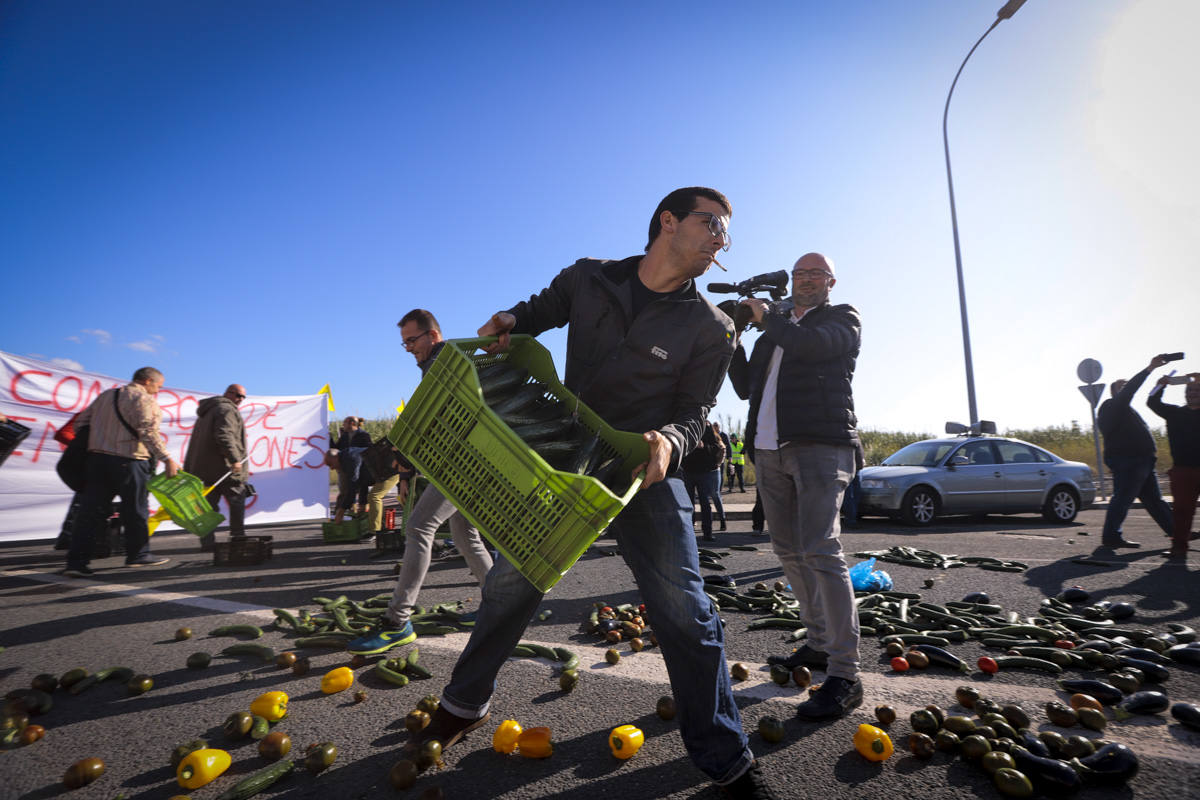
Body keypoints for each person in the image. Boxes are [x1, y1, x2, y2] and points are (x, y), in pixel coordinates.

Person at [397, 188, 776, 799]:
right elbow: (540, 309)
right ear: (668, 221)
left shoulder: (712, 326)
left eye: (725, 234)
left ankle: (724, 753)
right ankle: (464, 704)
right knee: (510, 585)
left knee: (684, 608)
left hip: (640, 473)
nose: (719, 239)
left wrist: (669, 446)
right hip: (563, 464)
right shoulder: (588, 279)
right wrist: (511, 321)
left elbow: (695, 412)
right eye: (711, 224)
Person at [728, 252, 863, 722]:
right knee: (788, 550)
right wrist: (736, 337)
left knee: (822, 549)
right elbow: (745, 388)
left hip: (821, 445)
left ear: (830, 281)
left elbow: (811, 348)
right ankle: (820, 644)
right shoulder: (776, 326)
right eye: (799, 273)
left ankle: (846, 674)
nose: (805, 280)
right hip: (767, 450)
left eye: (815, 274)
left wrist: (768, 319)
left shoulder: (843, 319)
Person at [348, 309, 495, 656]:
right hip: (478, 461)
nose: (410, 349)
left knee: (417, 528)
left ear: (433, 334)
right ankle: (496, 607)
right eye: (404, 344)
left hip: (462, 464)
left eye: (412, 341)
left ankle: (398, 622)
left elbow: (435, 419)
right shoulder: (450, 362)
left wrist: (406, 466)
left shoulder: (442, 364)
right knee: (464, 532)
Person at [63, 366, 177, 576]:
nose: (158, 391)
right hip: (130, 461)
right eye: (158, 387)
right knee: (135, 510)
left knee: (89, 513)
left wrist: (100, 441)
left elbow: (80, 423)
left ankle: (76, 562)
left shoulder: (106, 396)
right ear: (148, 381)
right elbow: (148, 431)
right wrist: (167, 459)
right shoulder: (143, 399)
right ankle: (138, 555)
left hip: (97, 461)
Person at [1096, 355, 1176, 548]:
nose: (1126, 388)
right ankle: (1111, 536)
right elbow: (1130, 390)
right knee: (1123, 498)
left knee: (1155, 501)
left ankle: (1177, 533)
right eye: (1121, 387)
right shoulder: (1112, 406)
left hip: (1142, 462)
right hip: (1130, 461)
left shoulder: (1124, 411)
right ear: (1114, 392)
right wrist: (1150, 368)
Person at [183, 384, 249, 552]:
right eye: (238, 395)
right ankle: (238, 537)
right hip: (224, 469)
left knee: (208, 507)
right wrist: (235, 459)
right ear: (228, 393)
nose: (240, 400)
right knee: (237, 500)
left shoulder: (208, 410)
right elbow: (224, 435)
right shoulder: (226, 409)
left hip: (203, 470)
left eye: (243, 397)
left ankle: (207, 543)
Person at [1148, 371, 1200, 562]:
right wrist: (1161, 385)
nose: (1192, 393)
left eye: (1196, 390)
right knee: (1181, 512)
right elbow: (1152, 402)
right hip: (1182, 471)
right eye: (1189, 390)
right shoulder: (1175, 413)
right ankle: (1178, 548)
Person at [683, 421, 726, 541]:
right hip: (687, 471)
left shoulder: (706, 426)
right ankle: (688, 533)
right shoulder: (685, 424)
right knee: (688, 504)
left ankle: (707, 532)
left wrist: (703, 446)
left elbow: (716, 447)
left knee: (705, 504)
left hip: (704, 472)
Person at [330, 416, 371, 523]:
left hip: (360, 467)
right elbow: (336, 449)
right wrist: (330, 439)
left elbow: (370, 450)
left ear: (352, 423)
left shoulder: (364, 435)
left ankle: (361, 511)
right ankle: (346, 511)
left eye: (345, 423)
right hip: (345, 466)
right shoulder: (344, 436)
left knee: (362, 488)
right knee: (345, 489)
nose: (343, 425)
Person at [715, 421, 733, 494]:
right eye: (714, 425)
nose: (715, 427)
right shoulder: (712, 434)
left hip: (721, 458)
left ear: (719, 427)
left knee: (720, 473)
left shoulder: (723, 435)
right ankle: (714, 489)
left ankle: (719, 489)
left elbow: (728, 446)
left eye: (716, 425)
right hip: (712, 458)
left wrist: (730, 457)